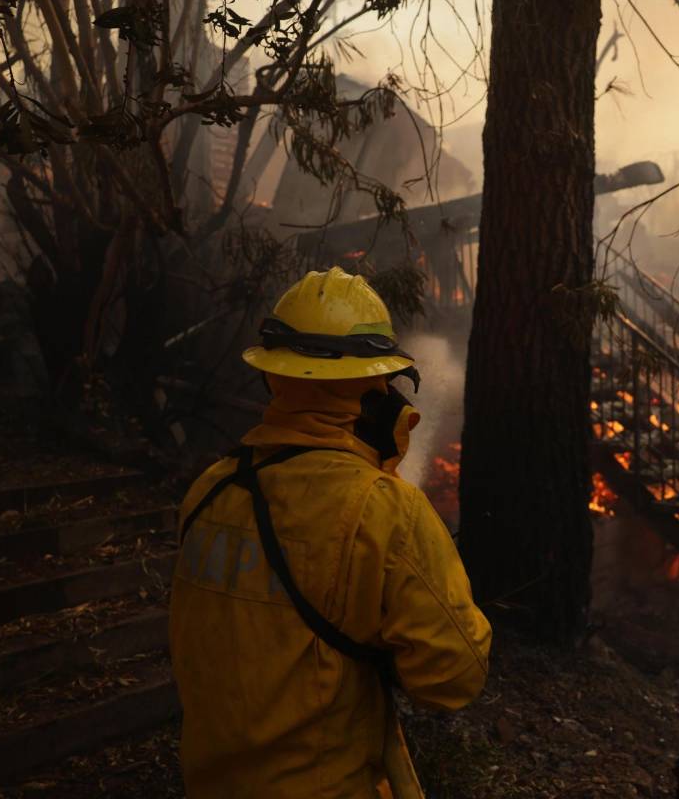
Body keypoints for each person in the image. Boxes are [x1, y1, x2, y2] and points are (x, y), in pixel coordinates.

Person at [169, 267, 491, 798]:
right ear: (374, 388)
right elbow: (454, 675)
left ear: (274, 376)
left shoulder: (210, 491)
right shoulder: (385, 511)